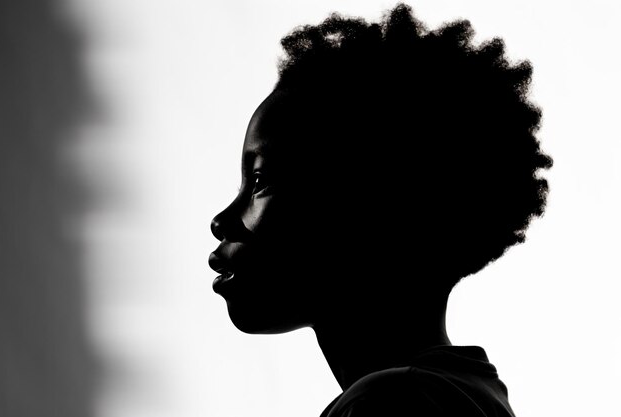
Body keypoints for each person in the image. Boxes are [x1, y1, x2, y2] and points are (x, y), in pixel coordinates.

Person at [208, 3, 552, 416]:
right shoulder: (462, 394)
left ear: (364, 204)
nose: (222, 221)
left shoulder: (392, 404)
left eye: (260, 181)